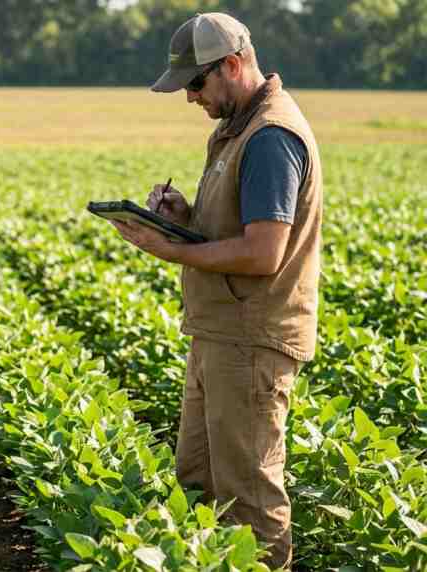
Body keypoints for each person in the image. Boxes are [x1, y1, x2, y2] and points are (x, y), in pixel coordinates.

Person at [109, 12, 322, 569]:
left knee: (249, 498)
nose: (190, 98)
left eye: (196, 83)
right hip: (220, 334)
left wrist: (173, 249)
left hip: (251, 342)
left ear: (232, 64)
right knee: (198, 485)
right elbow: (237, 230)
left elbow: (263, 252)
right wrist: (187, 218)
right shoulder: (234, 130)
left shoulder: (271, 136)